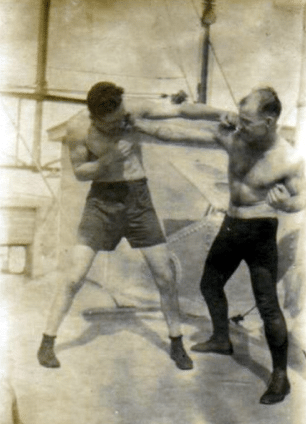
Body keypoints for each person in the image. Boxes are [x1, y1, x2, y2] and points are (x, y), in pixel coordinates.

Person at [134, 87, 305, 404]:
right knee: (210, 283)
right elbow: (178, 133)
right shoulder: (236, 138)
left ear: (269, 122)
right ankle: (221, 337)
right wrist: (140, 126)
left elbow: (302, 198)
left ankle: (280, 376)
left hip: (260, 230)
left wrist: (287, 204)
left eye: (248, 122)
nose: (240, 126)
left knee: (267, 305)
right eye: (240, 119)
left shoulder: (287, 158)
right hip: (232, 224)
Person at [37, 82, 193, 371]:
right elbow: (81, 172)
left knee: (165, 275)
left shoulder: (128, 110)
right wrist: (108, 160)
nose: (123, 120)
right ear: (95, 117)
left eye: (123, 113)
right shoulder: (78, 128)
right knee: (74, 277)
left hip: (138, 200)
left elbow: (178, 110)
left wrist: (222, 116)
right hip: (102, 202)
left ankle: (176, 342)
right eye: (114, 120)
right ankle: (47, 341)